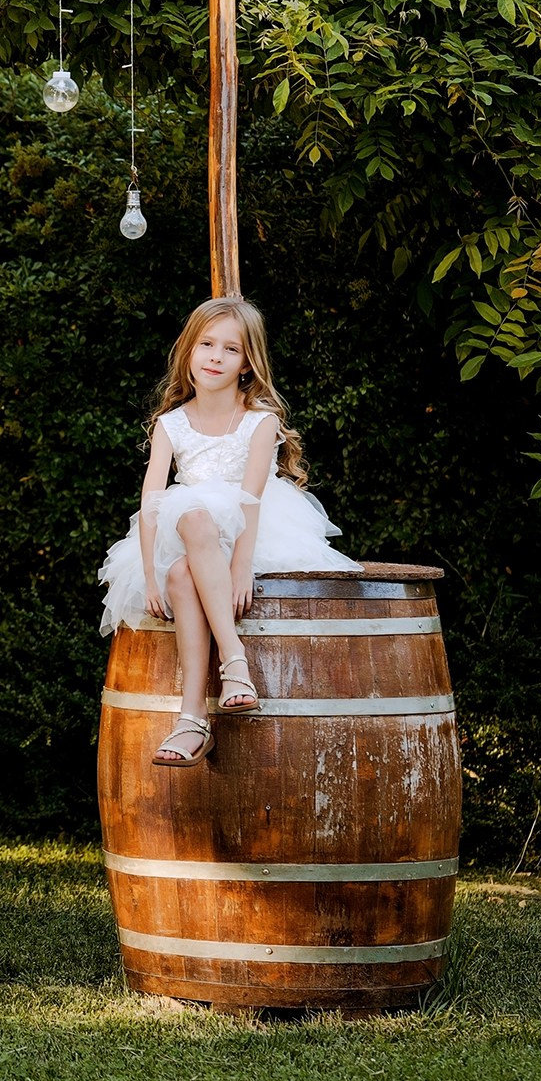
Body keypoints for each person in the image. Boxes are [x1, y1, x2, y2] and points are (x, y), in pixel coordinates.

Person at [97, 296, 362, 767]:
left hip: (250, 532)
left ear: (247, 364)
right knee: (185, 538)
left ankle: (193, 718)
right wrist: (150, 578)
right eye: (206, 344)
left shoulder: (259, 422)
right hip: (186, 529)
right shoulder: (170, 424)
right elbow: (151, 501)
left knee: (185, 574)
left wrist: (241, 567)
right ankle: (233, 665)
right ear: (188, 352)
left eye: (231, 349)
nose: (215, 357)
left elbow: (251, 502)